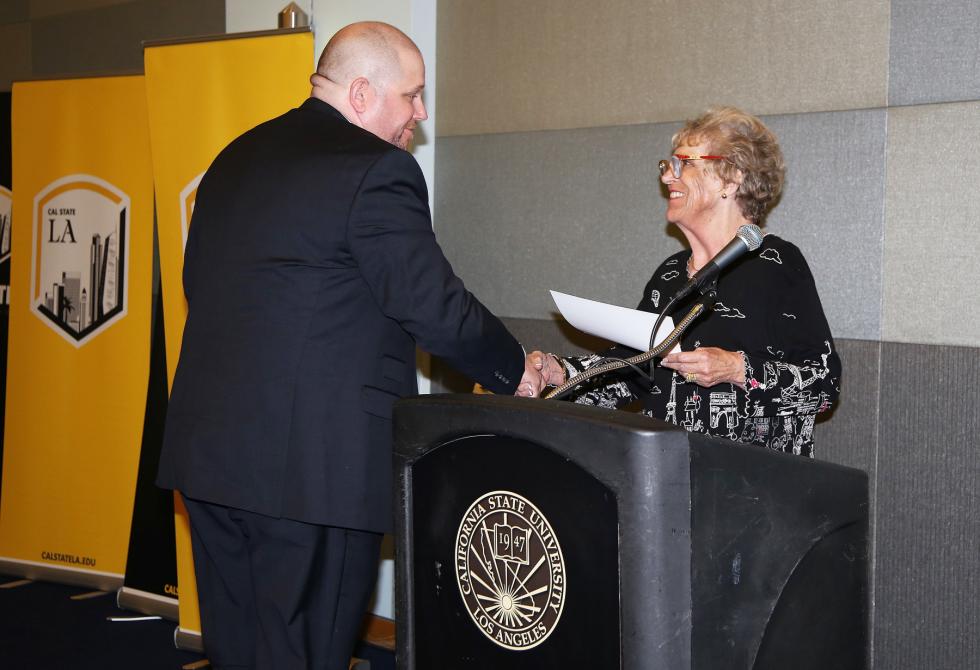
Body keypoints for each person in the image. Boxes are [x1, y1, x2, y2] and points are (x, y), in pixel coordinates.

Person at [157, 22, 537, 669]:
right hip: (311, 471)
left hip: (211, 460)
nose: (418, 114)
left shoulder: (235, 158)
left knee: (240, 650)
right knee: (305, 654)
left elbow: (200, 283)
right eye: (412, 96)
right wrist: (517, 367)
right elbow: (433, 305)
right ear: (362, 94)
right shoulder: (376, 171)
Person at [524, 107, 841, 458]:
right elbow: (632, 371)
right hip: (668, 478)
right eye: (667, 166)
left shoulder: (776, 264)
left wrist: (737, 369)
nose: (667, 178)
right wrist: (558, 373)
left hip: (753, 491)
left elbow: (824, 387)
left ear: (730, 178)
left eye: (684, 164)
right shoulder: (671, 274)